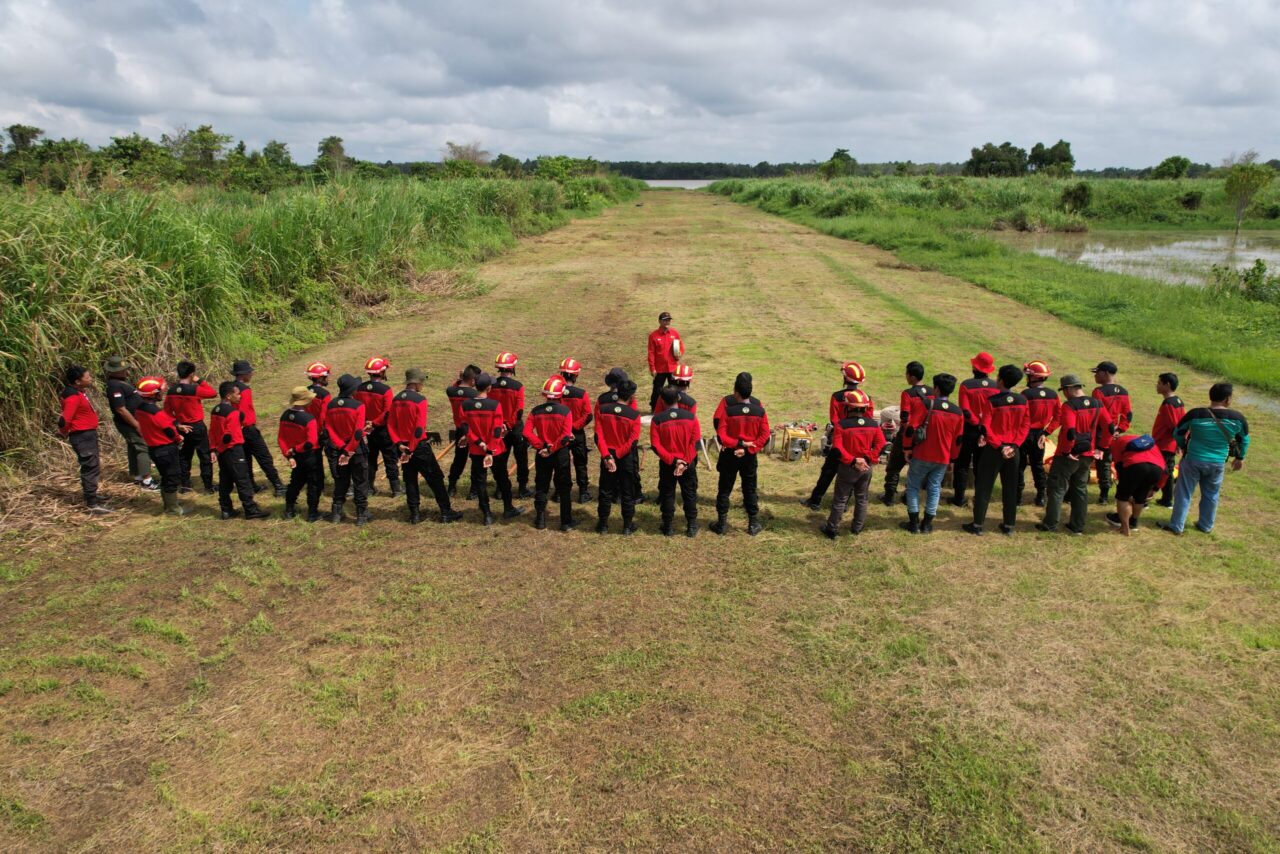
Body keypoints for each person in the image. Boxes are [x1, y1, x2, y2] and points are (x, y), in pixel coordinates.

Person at [1162, 382, 1249, 536]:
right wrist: (1239, 457)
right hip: (1218, 462)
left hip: (1192, 459)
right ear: (1227, 399)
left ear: (1211, 396)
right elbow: (1244, 440)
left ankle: (1176, 526)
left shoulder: (1195, 414)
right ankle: (1205, 525)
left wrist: (1183, 445)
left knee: (1184, 493)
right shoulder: (1238, 418)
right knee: (1211, 494)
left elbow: (1178, 432)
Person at [1036, 375, 1113, 535]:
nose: (1064, 394)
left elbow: (1070, 431)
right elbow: (1110, 427)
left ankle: (1050, 524)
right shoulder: (1097, 403)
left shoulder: (1069, 406)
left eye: (1064, 390)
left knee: (1057, 488)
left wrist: (1068, 451)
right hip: (1088, 453)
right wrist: (1102, 447)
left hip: (1067, 455)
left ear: (1069, 389)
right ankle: (1077, 526)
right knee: (1080, 488)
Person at [388, 368, 463, 525]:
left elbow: (391, 425)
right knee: (436, 478)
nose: (422, 384)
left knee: (410, 479)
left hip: (403, 447)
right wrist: (411, 448)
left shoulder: (396, 399)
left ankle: (415, 514)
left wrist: (399, 444)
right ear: (415, 383)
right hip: (417, 447)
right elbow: (419, 428)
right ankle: (446, 512)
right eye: (421, 381)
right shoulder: (420, 400)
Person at [964, 364, 1029, 536]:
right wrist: (1014, 445)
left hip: (994, 449)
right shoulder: (1022, 401)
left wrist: (999, 445)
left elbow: (986, 427)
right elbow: (1025, 426)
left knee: (984, 487)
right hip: (1013, 450)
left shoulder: (992, 401)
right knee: (1010, 487)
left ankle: (978, 524)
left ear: (1000, 380)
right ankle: (1009, 525)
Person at [900, 373, 965, 534]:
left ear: (936, 388)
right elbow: (958, 440)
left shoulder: (926, 404)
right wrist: (952, 458)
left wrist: (907, 447)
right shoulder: (958, 412)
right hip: (943, 457)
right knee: (935, 488)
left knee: (913, 486)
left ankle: (913, 523)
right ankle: (927, 524)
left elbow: (911, 428)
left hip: (922, 454)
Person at [710, 372, 770, 536]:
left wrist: (735, 444)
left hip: (730, 453)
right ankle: (753, 523)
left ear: (735, 390)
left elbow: (720, 431)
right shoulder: (759, 409)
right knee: (750, 488)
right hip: (749, 455)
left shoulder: (728, 408)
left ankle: (721, 524)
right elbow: (765, 436)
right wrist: (748, 448)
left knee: (724, 488)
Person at [802, 361, 868, 510]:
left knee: (828, 472)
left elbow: (834, 420)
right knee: (852, 473)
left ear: (845, 378)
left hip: (840, 442)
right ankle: (843, 504)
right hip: (858, 443)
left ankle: (815, 500)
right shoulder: (866, 398)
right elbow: (868, 421)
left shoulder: (837, 397)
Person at [820, 389, 885, 538]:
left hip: (848, 468)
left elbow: (837, 448)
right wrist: (867, 459)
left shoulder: (841, 425)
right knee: (862, 498)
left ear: (848, 407)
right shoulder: (873, 424)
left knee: (840, 499)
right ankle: (857, 528)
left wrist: (853, 461)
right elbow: (881, 444)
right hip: (866, 468)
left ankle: (832, 529)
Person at [462, 372, 524, 525]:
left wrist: (479, 443)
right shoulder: (495, 405)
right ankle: (508, 508)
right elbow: (496, 430)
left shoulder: (466, 405)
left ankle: (487, 514)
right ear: (489, 388)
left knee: (480, 482)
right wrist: (490, 449)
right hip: (496, 450)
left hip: (476, 450)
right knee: (502, 479)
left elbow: (465, 428)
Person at [210, 381, 268, 520]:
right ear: (229, 396)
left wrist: (213, 449)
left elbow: (212, 431)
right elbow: (229, 434)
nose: (240, 396)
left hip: (222, 451)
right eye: (237, 394)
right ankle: (250, 509)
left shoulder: (215, 410)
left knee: (225, 480)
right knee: (243, 480)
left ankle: (226, 509)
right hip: (234, 450)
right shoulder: (233, 413)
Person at [58, 365, 112, 513]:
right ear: (77, 381)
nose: (90, 379)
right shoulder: (73, 396)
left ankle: (92, 495)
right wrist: (63, 432)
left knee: (92, 465)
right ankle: (92, 503)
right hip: (82, 436)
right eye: (87, 377)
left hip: (86, 434)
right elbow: (65, 419)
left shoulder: (78, 392)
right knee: (90, 467)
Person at [526, 376, 576, 531]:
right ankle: (566, 521)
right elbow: (565, 436)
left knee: (541, 486)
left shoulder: (536, 411)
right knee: (564, 487)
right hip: (560, 453)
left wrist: (541, 446)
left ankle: (540, 519)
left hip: (542, 454)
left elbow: (527, 432)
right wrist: (551, 448)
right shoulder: (565, 411)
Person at [650, 386, 701, 537]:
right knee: (689, 494)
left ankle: (668, 527)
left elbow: (656, 445)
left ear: (662, 401)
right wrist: (684, 462)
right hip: (687, 463)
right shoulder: (691, 417)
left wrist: (673, 461)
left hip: (667, 464)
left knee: (667, 494)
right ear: (678, 398)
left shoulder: (657, 420)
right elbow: (695, 443)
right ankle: (691, 526)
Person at [134, 377, 189, 516]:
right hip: (165, 448)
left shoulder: (141, 409)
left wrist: (176, 424)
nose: (162, 394)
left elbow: (165, 420)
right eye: (159, 392)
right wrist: (178, 438)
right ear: (153, 394)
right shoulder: (155, 412)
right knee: (172, 477)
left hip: (154, 448)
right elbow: (168, 430)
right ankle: (173, 509)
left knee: (165, 476)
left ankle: (169, 505)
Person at [594, 378, 643, 534]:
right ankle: (627, 526)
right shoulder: (634, 415)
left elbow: (598, 436)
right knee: (627, 492)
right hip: (625, 457)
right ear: (631, 396)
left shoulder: (603, 410)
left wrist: (608, 456)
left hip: (607, 456)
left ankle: (603, 525)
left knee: (605, 491)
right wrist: (617, 454)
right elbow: (632, 441)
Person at [952, 352, 1000, 507]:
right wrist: (983, 427)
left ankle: (959, 498)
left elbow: (965, 411)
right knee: (982, 466)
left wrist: (976, 423)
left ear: (974, 367)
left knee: (962, 464)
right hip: (987, 431)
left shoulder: (966, 385)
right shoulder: (996, 387)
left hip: (969, 430)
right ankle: (980, 497)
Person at [232, 360, 285, 497]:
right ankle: (278, 486)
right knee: (264, 457)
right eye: (249, 372)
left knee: (246, 458)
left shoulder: (231, 388)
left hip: (236, 429)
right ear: (243, 374)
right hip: (247, 428)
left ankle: (251, 485)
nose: (251, 374)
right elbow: (244, 410)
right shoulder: (244, 390)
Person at [103, 357, 157, 491]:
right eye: (122, 369)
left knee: (134, 447)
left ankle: (138, 476)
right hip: (129, 423)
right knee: (143, 447)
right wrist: (136, 425)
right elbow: (120, 409)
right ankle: (147, 481)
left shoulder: (121, 382)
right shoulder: (114, 386)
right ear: (114, 371)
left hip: (134, 420)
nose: (125, 371)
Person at [881, 361, 930, 506]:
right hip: (925, 435)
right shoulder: (933, 392)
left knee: (894, 466)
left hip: (908, 434)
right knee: (917, 468)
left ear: (912, 376)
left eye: (907, 374)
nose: (906, 376)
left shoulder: (908, 393)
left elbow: (904, 417)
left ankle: (889, 496)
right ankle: (909, 496)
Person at [163, 361, 216, 494]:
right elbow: (213, 393)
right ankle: (208, 486)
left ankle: (185, 485)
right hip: (197, 426)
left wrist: (177, 424)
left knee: (184, 457)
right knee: (204, 456)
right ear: (192, 374)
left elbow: (167, 412)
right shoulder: (194, 389)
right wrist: (200, 381)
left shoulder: (171, 391)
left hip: (181, 427)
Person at [326, 374, 371, 526]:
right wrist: (349, 450)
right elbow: (357, 432)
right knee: (360, 482)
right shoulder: (358, 406)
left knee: (341, 481)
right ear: (352, 390)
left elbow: (330, 429)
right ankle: (361, 514)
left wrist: (342, 447)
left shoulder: (331, 405)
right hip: (355, 450)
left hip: (338, 449)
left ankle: (336, 514)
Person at [1018, 360, 1060, 507]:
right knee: (1037, 465)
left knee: (1019, 465)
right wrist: (1047, 432)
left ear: (1033, 377)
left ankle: (1018, 497)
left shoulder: (1025, 394)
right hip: (1040, 435)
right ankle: (1041, 496)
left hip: (1024, 434)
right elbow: (1059, 416)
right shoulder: (1053, 394)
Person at [277, 386, 323, 522]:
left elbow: (281, 438)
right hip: (310, 455)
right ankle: (312, 513)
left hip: (295, 456)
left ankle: (289, 510)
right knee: (314, 484)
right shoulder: (309, 418)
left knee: (295, 482)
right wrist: (296, 449)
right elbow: (311, 442)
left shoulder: (285, 415)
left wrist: (289, 454)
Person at [490, 353, 532, 499]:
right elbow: (519, 411)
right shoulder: (518, 386)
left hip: (498, 428)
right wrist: (508, 425)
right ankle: (522, 489)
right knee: (521, 459)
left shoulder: (491, 385)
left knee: (501, 459)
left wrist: (501, 425)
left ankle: (500, 489)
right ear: (512, 368)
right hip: (515, 428)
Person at [356, 356, 399, 497]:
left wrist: (367, 423)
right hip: (382, 430)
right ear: (381, 372)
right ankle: (396, 489)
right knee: (390, 459)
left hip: (367, 429)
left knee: (370, 459)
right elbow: (387, 412)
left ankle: (369, 487)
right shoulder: (385, 390)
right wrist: (374, 423)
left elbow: (358, 408)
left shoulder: (359, 388)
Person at [1106, 433, 1166, 535]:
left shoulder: (1115, 443)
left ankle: (1125, 528)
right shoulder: (1149, 442)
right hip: (1157, 469)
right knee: (1140, 497)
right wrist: (1155, 488)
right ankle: (1133, 523)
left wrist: (1123, 484)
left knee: (1122, 497)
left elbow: (1119, 465)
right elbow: (1166, 471)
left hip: (1135, 466)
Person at [1091, 361, 1132, 504]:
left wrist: (1109, 429)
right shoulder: (1123, 391)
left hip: (1100, 432)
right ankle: (1108, 493)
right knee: (1109, 462)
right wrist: (1119, 429)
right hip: (1114, 433)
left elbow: (1097, 413)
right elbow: (1128, 414)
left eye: (1097, 373)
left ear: (1106, 373)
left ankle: (1102, 495)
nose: (1095, 376)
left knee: (1098, 462)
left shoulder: (1098, 392)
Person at [558, 358, 593, 502]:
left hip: (560, 434)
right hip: (577, 434)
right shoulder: (581, 393)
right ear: (574, 375)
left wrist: (565, 428)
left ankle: (560, 493)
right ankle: (583, 492)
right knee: (580, 463)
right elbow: (588, 415)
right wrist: (574, 427)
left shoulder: (556, 393)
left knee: (561, 464)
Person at [445, 365, 481, 497]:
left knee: (459, 459)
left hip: (460, 429)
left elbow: (454, 387)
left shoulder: (451, 391)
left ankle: (451, 486)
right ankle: (474, 490)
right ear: (473, 380)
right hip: (474, 430)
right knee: (476, 459)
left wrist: (459, 380)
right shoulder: (475, 395)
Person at [1151, 372, 1185, 508]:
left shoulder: (1169, 404)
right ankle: (1166, 499)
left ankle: (1147, 497)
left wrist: (1179, 442)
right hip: (1169, 444)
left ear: (1167, 385)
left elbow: (1174, 426)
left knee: (1158, 470)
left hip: (1164, 444)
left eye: (1159, 383)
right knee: (1168, 471)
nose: (1157, 385)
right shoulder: (1178, 401)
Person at [305, 362, 336, 484]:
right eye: (325, 377)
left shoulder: (305, 391)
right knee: (332, 458)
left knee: (314, 458)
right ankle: (339, 482)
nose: (327, 379)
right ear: (320, 378)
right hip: (322, 431)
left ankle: (317, 482)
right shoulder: (325, 394)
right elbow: (324, 415)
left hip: (308, 430)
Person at [647, 311, 683, 411]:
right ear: (659, 321)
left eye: (668, 320)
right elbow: (651, 353)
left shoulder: (675, 333)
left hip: (673, 368)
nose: (667, 322)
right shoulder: (653, 336)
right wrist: (652, 368)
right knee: (657, 390)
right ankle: (654, 409)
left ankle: (675, 409)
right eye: (665, 320)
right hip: (659, 369)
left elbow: (681, 347)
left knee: (674, 389)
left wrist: (679, 354)